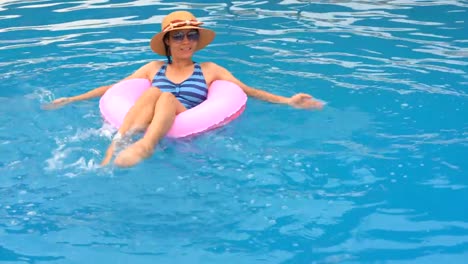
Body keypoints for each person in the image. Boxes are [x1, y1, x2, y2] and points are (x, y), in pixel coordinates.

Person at [43, 11, 324, 167]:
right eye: (178, 35)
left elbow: (246, 89)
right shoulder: (154, 68)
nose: (186, 40)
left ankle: (146, 146)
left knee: (162, 95)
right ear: (167, 42)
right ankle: (111, 152)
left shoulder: (210, 69)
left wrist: (288, 101)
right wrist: (73, 99)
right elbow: (117, 88)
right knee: (153, 92)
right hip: (148, 113)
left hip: (183, 119)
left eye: (191, 35)